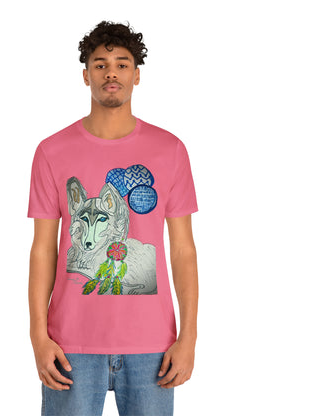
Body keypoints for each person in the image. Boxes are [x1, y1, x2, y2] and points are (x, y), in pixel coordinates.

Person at [27, 20, 199, 416]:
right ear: (85, 75)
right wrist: (38, 334)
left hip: (152, 345)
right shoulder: (52, 151)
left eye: (122, 64)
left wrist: (188, 336)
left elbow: (183, 250)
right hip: (69, 343)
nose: (111, 73)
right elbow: (43, 250)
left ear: (136, 75)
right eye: (100, 65)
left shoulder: (170, 150)